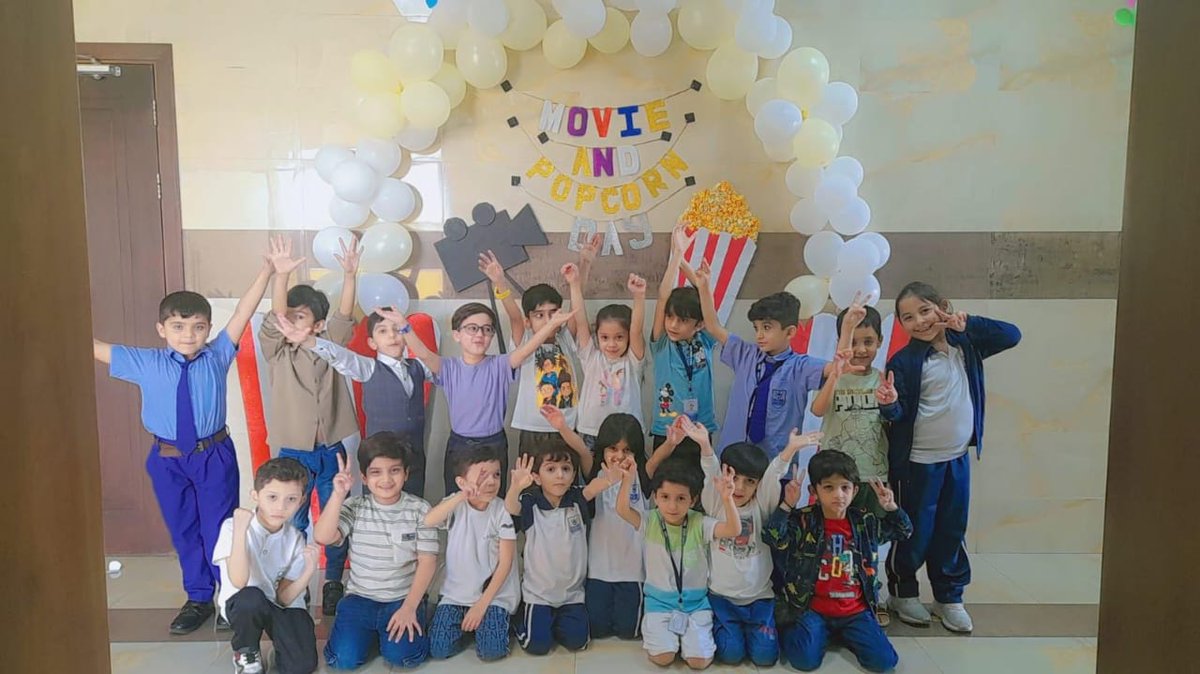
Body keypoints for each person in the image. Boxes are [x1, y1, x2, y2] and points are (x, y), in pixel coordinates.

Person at [92, 243, 273, 634]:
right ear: (161, 329)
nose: (188, 335)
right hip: (167, 458)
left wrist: (268, 271)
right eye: (177, 326)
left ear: (208, 328)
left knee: (219, 528)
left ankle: (228, 597)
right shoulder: (145, 361)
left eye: (198, 327)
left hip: (214, 455)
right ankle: (198, 597)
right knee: (184, 529)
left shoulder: (218, 353)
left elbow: (243, 312)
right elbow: (93, 347)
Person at [884, 282, 1021, 633]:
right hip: (916, 464)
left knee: (951, 528)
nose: (919, 322)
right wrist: (889, 404)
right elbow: (898, 414)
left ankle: (949, 596)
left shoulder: (967, 346)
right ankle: (903, 592)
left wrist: (967, 323)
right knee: (914, 531)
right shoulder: (903, 361)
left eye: (924, 311)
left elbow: (1012, 335)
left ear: (942, 306)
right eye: (908, 317)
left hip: (956, 459)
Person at [258, 235, 360, 615]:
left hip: (330, 448)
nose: (289, 320)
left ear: (317, 325)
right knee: (295, 520)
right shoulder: (277, 350)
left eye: (299, 316)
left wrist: (350, 275)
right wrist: (281, 277)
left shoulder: (329, 344)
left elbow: (344, 316)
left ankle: (333, 581)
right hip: (293, 452)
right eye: (287, 315)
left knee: (334, 518)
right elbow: (275, 320)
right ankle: (295, 582)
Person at [385, 301, 575, 495]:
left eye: (486, 329)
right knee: (458, 497)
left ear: (492, 335)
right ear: (457, 334)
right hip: (460, 445)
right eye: (472, 328)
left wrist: (551, 326)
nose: (479, 335)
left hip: (494, 444)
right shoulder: (448, 367)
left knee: (493, 497)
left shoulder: (500, 364)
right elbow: (424, 354)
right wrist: (404, 326)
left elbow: (527, 349)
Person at [681, 260, 854, 461]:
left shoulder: (801, 367)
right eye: (757, 328)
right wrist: (704, 287)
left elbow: (836, 366)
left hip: (776, 462)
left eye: (767, 327)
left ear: (790, 332)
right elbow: (713, 326)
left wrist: (848, 329)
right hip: (734, 457)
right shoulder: (745, 354)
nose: (760, 335)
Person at [765, 450, 913, 672]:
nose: (839, 495)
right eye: (829, 487)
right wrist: (787, 505)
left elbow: (904, 531)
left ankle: (843, 633)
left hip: (855, 611)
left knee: (885, 662)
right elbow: (773, 538)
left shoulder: (865, 522)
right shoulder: (805, 520)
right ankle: (803, 630)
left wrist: (891, 508)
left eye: (845, 487)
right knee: (804, 661)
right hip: (814, 609)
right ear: (813, 491)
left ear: (855, 491)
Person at [696, 419, 823, 667]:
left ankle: (764, 630)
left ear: (758, 484)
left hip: (759, 599)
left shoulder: (762, 506)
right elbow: (710, 471)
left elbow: (774, 473)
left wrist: (790, 449)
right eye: (734, 477)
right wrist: (705, 445)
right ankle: (730, 631)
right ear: (724, 475)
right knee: (731, 655)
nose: (739, 487)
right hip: (722, 599)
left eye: (750, 481)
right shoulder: (715, 502)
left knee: (765, 657)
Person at [276, 307, 433, 498]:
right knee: (378, 506)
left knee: (414, 504)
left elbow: (444, 369)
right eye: (383, 331)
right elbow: (341, 356)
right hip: (379, 458)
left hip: (414, 458)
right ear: (372, 342)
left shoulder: (420, 367)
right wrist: (309, 341)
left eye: (397, 329)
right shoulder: (368, 367)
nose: (392, 336)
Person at [315, 432, 438, 670]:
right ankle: (368, 633)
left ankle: (408, 621)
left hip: (401, 599)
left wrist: (409, 607)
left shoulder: (420, 509)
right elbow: (323, 536)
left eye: (394, 470)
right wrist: (338, 495)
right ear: (364, 477)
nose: (386, 479)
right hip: (360, 599)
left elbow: (427, 561)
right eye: (376, 472)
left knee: (403, 657)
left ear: (406, 473)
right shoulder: (355, 506)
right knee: (343, 660)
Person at [811, 302, 901, 626]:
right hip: (834, 481)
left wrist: (892, 402)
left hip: (872, 477)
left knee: (869, 544)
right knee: (832, 541)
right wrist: (836, 374)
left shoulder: (882, 380)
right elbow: (818, 409)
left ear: (880, 342)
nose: (861, 349)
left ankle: (871, 598)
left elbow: (895, 419)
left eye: (869, 341)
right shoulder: (834, 376)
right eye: (854, 341)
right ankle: (831, 596)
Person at [613, 458, 742, 669]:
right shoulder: (650, 520)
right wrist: (628, 480)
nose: (672, 506)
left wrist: (727, 499)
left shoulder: (699, 522)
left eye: (681, 498)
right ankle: (671, 640)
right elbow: (622, 510)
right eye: (665, 497)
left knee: (699, 662)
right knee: (663, 658)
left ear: (693, 500)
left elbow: (733, 530)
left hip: (696, 605)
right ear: (655, 497)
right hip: (659, 603)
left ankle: (686, 641)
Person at [543, 406, 649, 640]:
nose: (619, 456)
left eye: (627, 450)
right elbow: (581, 448)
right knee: (597, 629)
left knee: (628, 632)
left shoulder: (642, 473)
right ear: (603, 448)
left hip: (633, 571)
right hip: (598, 569)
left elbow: (662, 454)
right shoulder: (595, 471)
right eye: (613, 449)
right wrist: (562, 426)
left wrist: (672, 441)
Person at [483, 240, 594, 456]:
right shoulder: (524, 339)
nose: (548, 320)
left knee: (567, 474)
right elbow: (514, 315)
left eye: (553, 313)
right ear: (528, 321)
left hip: (567, 426)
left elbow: (577, 306)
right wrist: (500, 282)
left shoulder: (565, 338)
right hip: (533, 428)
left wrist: (585, 264)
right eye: (539, 315)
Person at [213, 458, 320, 674]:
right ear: (255, 496)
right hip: (243, 603)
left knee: (302, 666)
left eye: (291, 499)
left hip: (276, 604)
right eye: (272, 497)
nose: (280, 507)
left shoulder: (295, 538)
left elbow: (284, 599)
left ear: (301, 501)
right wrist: (240, 532)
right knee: (251, 599)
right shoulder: (233, 526)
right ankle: (246, 653)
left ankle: (279, 650)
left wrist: (309, 571)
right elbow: (239, 581)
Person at [425, 445, 519, 661]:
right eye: (483, 475)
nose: (491, 482)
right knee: (439, 649)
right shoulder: (455, 504)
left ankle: (495, 622)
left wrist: (480, 606)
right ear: (462, 482)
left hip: (493, 596)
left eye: (496, 475)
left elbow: (506, 563)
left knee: (491, 651)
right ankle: (468, 625)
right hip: (456, 594)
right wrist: (460, 497)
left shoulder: (501, 510)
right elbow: (429, 520)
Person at [506, 446, 594, 655]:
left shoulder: (577, 499)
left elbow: (594, 488)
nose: (560, 475)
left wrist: (609, 479)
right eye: (551, 469)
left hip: (572, 594)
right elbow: (511, 507)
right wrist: (515, 487)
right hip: (539, 594)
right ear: (537, 477)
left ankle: (553, 622)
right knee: (537, 646)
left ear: (573, 475)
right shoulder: (530, 502)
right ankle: (522, 618)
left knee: (578, 642)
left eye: (566, 469)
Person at [649, 224, 720, 483]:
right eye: (670, 317)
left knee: (698, 489)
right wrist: (677, 254)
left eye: (682, 320)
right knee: (665, 489)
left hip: (701, 428)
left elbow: (706, 304)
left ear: (698, 324)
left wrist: (700, 281)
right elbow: (663, 297)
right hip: (666, 429)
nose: (673, 325)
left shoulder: (707, 338)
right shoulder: (662, 343)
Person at [566, 250, 648, 446]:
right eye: (604, 338)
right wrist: (574, 285)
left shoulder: (633, 361)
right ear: (597, 337)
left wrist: (639, 296)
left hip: (626, 435)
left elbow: (636, 329)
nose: (611, 344)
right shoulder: (591, 357)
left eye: (619, 337)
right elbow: (581, 321)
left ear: (628, 338)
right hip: (591, 431)